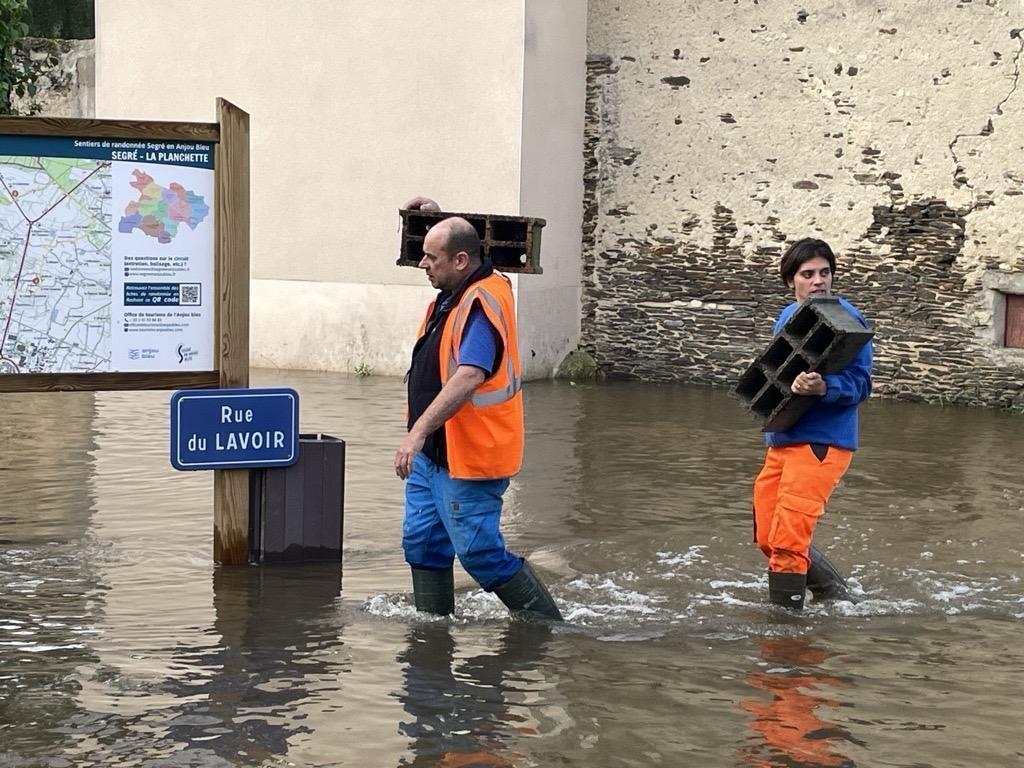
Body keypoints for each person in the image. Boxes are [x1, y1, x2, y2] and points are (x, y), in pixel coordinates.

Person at [395, 195, 562, 621]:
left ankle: (548, 629)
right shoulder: (457, 286)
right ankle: (432, 636)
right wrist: (432, 215)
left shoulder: (483, 301)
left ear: (461, 261)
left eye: (430, 257)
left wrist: (415, 434)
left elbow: (469, 375)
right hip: (436, 452)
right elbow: (466, 235)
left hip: (469, 455)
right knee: (422, 545)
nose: (422, 264)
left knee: (479, 554)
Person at [751, 238, 872, 609]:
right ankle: (833, 595)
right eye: (808, 274)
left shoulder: (848, 319)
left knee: (788, 539)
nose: (819, 281)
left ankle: (784, 633)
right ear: (792, 281)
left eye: (825, 273)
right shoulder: (787, 317)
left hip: (822, 442)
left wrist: (825, 386)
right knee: (768, 534)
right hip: (783, 439)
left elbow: (862, 384)